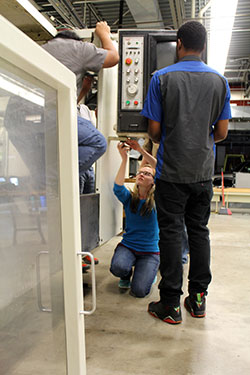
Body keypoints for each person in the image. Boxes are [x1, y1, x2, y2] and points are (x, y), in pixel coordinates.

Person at [141, 21, 231, 324]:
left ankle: (170, 304)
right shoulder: (220, 81)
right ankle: (198, 299)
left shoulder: (160, 79)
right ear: (203, 46)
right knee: (199, 233)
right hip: (203, 174)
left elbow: (153, 130)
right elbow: (220, 133)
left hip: (171, 173)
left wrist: (168, 136)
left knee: (170, 233)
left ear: (179, 44)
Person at [127, 138, 190, 265]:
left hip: (176, 178)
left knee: (178, 219)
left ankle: (180, 256)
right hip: (157, 176)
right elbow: (146, 152)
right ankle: (155, 254)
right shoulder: (153, 131)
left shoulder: (181, 132)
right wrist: (142, 172)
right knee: (159, 218)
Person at [110, 142, 160, 298]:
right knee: (118, 268)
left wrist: (141, 151)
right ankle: (126, 274)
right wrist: (124, 158)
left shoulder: (159, 199)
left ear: (153, 181)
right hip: (128, 247)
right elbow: (118, 186)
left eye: (147, 174)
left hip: (150, 252)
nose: (141, 174)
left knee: (138, 291)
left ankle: (147, 274)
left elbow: (163, 169)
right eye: (140, 172)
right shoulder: (129, 198)